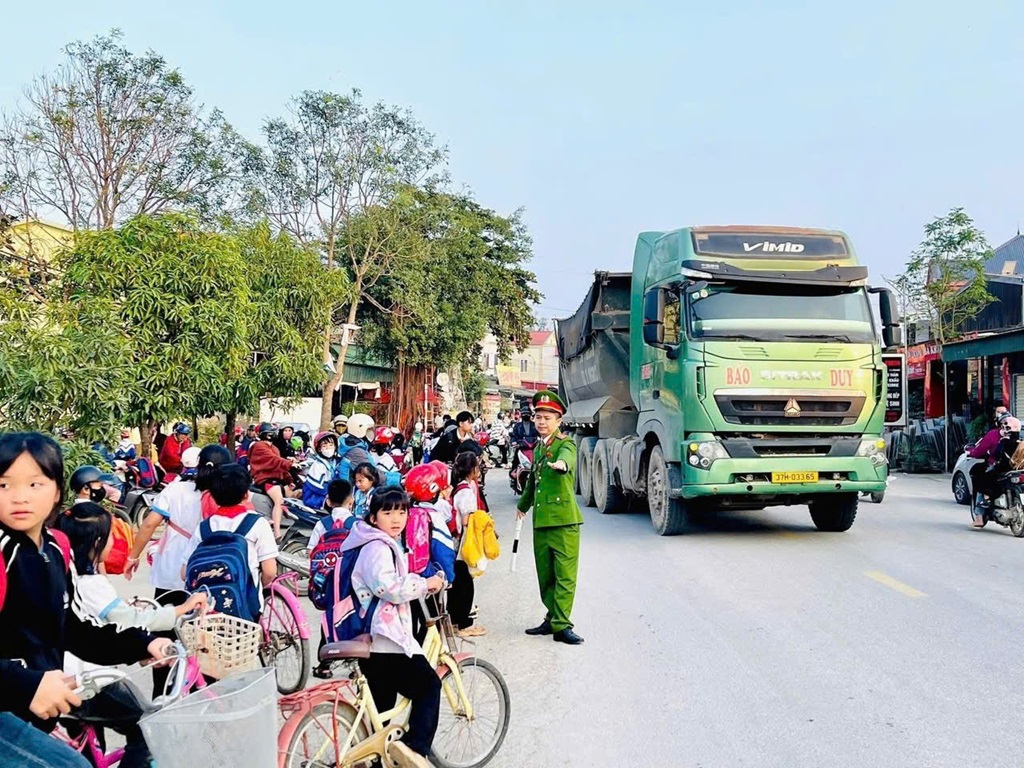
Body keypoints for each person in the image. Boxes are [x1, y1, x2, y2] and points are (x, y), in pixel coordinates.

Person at [0, 432, 172, 768]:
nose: (19, 497)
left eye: (34, 484)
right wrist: (28, 684)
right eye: (4, 485)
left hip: (30, 709)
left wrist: (143, 644)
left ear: (57, 493)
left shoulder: (55, 548)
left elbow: (72, 629)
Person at [340, 488, 445, 768]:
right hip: (385, 641)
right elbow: (388, 586)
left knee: (381, 713)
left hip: (371, 640)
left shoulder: (369, 541)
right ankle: (414, 751)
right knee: (429, 685)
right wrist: (426, 584)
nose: (396, 518)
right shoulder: (377, 546)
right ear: (374, 517)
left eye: (401, 512)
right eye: (388, 512)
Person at [125, 444, 232, 692]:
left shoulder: (173, 490)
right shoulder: (222, 492)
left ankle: (162, 690)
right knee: (205, 635)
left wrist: (133, 556)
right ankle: (202, 689)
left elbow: (150, 524)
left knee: (164, 633)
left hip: (170, 572)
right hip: (206, 573)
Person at [517, 391, 584, 645]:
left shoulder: (565, 445)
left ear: (558, 421)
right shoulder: (539, 446)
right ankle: (552, 617)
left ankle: (562, 625)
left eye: (547, 418)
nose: (541, 422)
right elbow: (533, 482)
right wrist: (523, 505)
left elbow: (567, 458)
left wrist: (562, 465)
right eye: (538, 417)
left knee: (565, 576)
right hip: (542, 522)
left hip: (565, 523)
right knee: (545, 575)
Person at [180, 463, 279, 613]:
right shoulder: (257, 524)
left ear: (213, 495)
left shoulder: (203, 528)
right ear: (246, 493)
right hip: (246, 608)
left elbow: (184, 573)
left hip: (205, 611)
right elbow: (270, 571)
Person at [450, 452, 487, 637]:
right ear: (472, 469)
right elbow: (466, 521)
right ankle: (464, 624)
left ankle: (457, 621)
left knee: (458, 582)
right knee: (464, 583)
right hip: (462, 543)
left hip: (455, 543)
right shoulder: (466, 491)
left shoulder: (458, 488)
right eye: (477, 466)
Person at [249, 422, 298, 538]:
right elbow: (274, 460)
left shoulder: (275, 448)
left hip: (277, 479)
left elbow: (279, 464)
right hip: (266, 479)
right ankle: (277, 533)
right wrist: (290, 464)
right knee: (279, 501)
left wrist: (289, 480)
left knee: (297, 494)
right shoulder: (259, 446)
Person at [971, 415, 1021, 526]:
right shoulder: (1020, 442)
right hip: (1017, 469)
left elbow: (990, 453)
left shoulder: (998, 438)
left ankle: (980, 514)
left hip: (1000, 469)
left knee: (978, 474)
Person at [307, 479, 356, 550]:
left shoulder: (321, 524)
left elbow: (311, 551)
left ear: (328, 502)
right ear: (351, 501)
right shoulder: (357, 525)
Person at [303, 432, 340, 510]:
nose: (328, 447)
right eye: (324, 445)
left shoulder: (335, 462)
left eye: (331, 445)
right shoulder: (318, 465)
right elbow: (318, 487)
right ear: (319, 449)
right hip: (314, 498)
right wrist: (333, 493)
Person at [338, 414, 379, 482]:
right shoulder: (357, 451)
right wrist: (396, 478)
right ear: (360, 430)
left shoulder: (353, 445)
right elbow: (374, 474)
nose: (371, 433)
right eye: (368, 430)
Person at [510, 408, 539, 473]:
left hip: (533, 447)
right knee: (515, 460)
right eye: (524, 414)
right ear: (521, 415)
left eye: (528, 414)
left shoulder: (535, 425)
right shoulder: (517, 425)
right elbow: (514, 435)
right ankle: (513, 473)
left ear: (530, 415)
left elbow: (539, 434)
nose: (526, 415)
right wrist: (513, 442)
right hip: (521, 447)